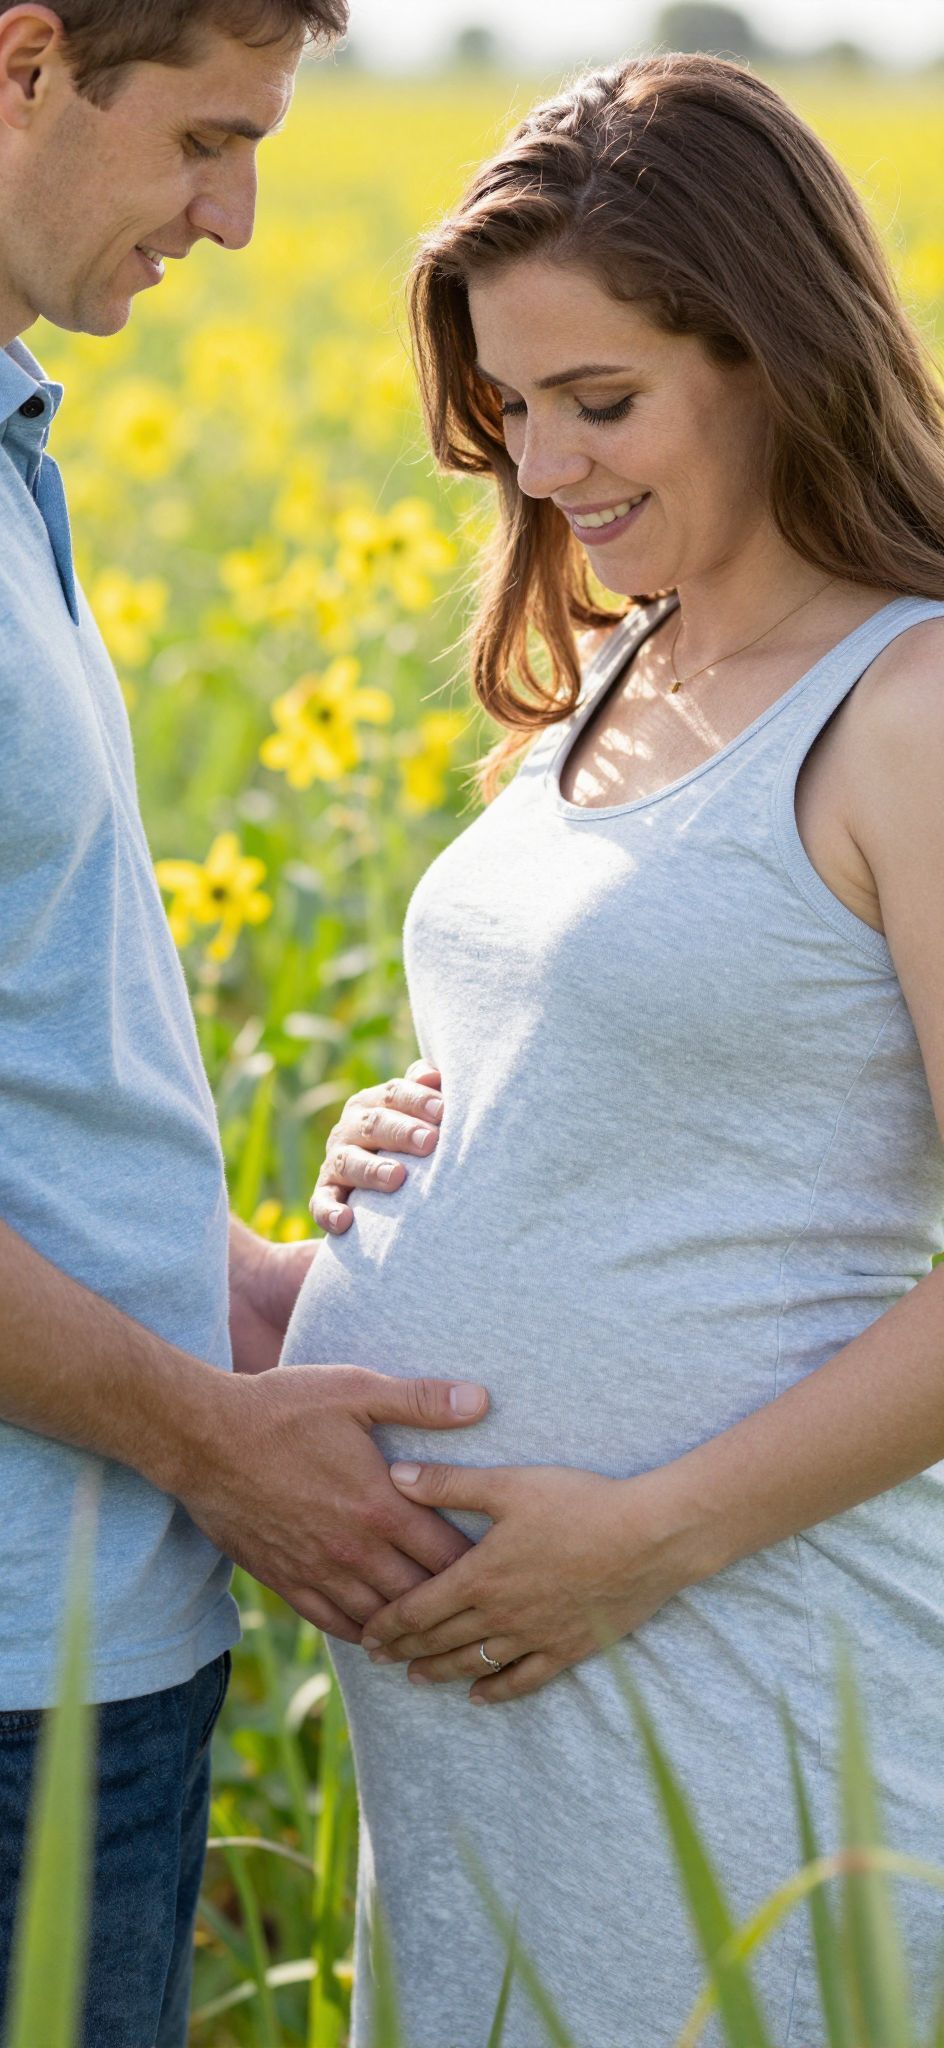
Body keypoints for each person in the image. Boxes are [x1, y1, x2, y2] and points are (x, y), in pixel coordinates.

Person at [0, 3, 492, 2041]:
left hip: (43, 1642)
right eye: (205, 139)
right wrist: (208, 1438)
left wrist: (226, 1287)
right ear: (24, 66)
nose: (238, 215)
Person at [286, 51, 944, 2047]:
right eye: (510, 410)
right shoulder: (621, 663)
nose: (546, 464)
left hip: (736, 1680)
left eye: (601, 399)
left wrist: (643, 1539)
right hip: (500, 1734)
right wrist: (436, 1134)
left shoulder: (910, 708)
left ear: (775, 355)